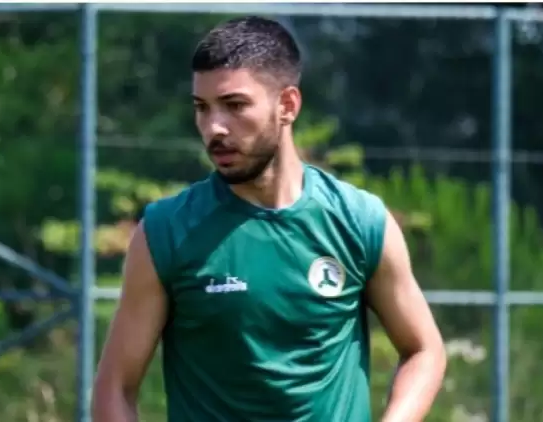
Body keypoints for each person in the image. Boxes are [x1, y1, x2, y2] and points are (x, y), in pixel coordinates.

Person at [93, 16, 446, 422]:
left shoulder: (360, 221)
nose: (214, 128)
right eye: (202, 108)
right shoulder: (165, 232)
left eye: (235, 105)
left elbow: (424, 350)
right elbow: (115, 387)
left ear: (288, 105)